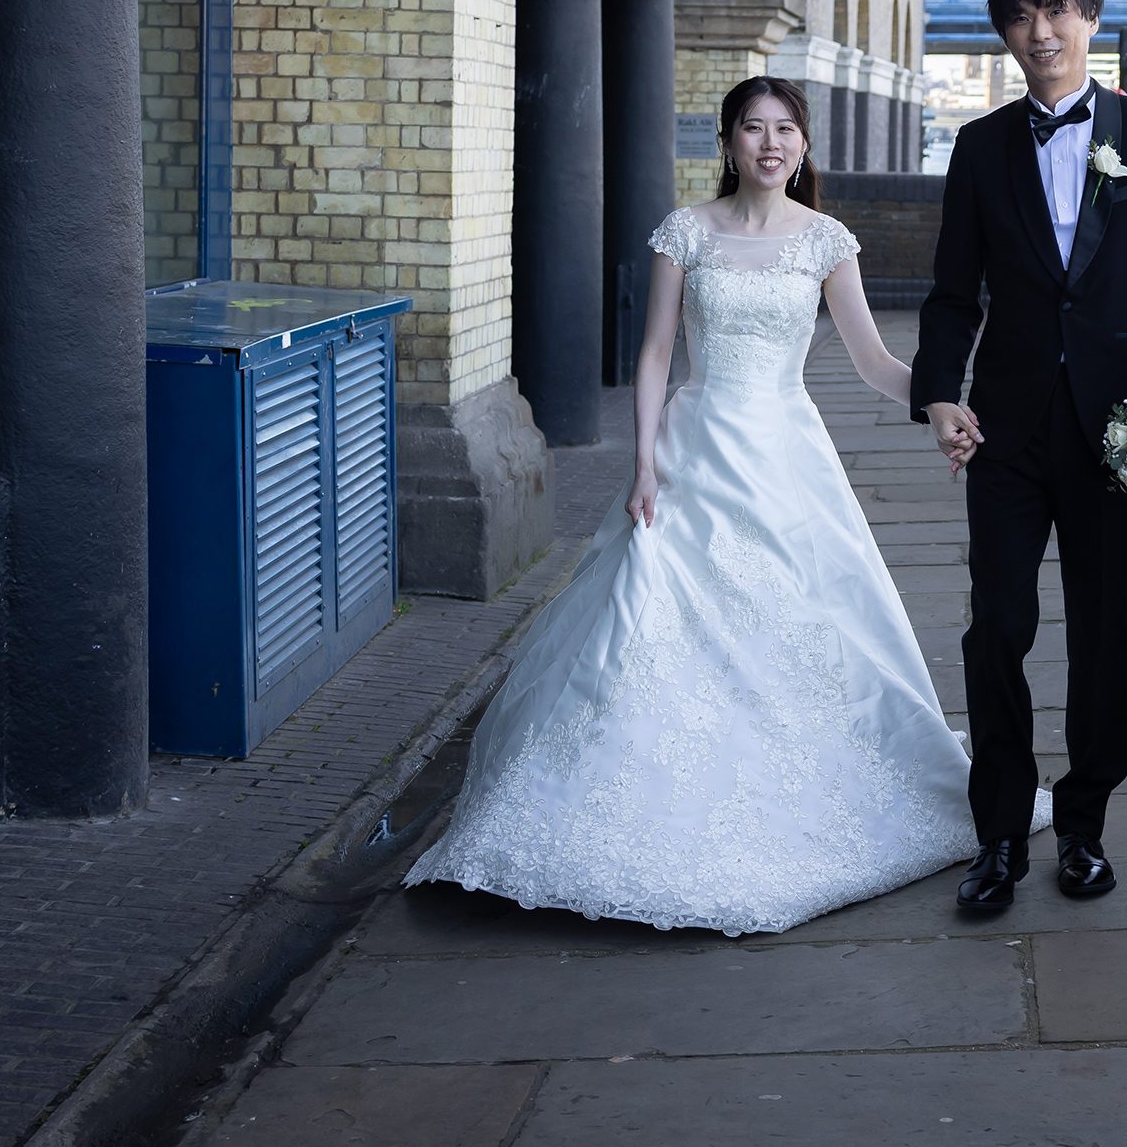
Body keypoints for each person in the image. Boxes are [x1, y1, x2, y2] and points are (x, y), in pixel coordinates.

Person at [405, 76, 1045, 935]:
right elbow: (657, 356)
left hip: (786, 457)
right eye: (754, 128)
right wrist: (641, 466)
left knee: (801, 624)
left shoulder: (826, 241)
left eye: (786, 130)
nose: (771, 144)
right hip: (694, 449)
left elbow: (870, 359)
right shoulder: (685, 233)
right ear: (729, 141)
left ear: (804, 144)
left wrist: (938, 406)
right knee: (646, 617)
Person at [912, 0, 1127, 913]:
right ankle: (999, 835)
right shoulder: (979, 145)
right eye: (1018, 16)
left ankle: (1082, 825)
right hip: (1006, 428)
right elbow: (953, 293)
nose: (1039, 32)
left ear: (1088, 15)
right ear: (1003, 33)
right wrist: (936, 393)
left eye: (1055, 11)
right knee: (995, 626)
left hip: (1113, 431)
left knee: (1101, 633)